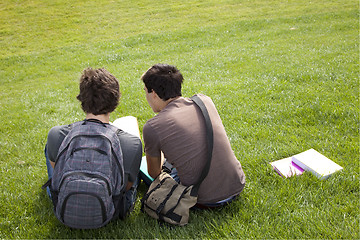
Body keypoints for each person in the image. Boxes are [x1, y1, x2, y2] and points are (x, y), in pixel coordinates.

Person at [141, 63, 245, 208]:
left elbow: (154, 173)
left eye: (145, 91)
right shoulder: (204, 101)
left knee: (148, 170)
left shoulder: (153, 126)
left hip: (203, 198)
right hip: (236, 184)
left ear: (153, 94)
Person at [44, 68, 142, 220]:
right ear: (115, 100)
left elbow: (57, 170)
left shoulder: (57, 134)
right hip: (110, 210)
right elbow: (126, 186)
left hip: (64, 204)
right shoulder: (131, 142)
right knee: (131, 149)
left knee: (51, 145)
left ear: (82, 98)